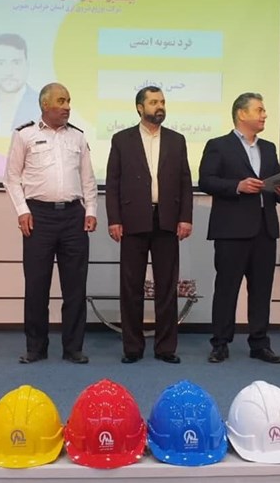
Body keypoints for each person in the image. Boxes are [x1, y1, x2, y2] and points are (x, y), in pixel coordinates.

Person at [3, 82, 97, 364]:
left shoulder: (78, 137)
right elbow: (11, 178)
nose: (67, 106)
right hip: (38, 217)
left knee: (75, 288)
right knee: (36, 286)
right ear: (45, 105)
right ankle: (36, 348)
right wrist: (22, 210)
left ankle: (73, 348)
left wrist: (91, 210)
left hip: (73, 217)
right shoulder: (25, 135)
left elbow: (88, 179)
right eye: (61, 101)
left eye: (68, 101)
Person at [198, 92, 280, 364]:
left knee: (262, 290)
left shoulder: (269, 148)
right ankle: (220, 343)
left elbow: (275, 185)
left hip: (265, 229)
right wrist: (237, 186)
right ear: (241, 113)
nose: (265, 115)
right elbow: (206, 180)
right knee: (227, 288)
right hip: (231, 230)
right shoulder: (219, 145)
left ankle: (260, 344)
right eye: (259, 110)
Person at [105, 86, 193, 364]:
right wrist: (114, 219)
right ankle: (132, 347)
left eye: (162, 101)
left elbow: (185, 181)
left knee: (166, 286)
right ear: (140, 108)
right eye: (154, 102)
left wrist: (185, 217)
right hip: (133, 220)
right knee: (131, 286)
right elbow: (113, 183)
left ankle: (166, 348)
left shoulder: (177, 140)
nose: (160, 106)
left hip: (167, 219)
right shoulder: (122, 139)